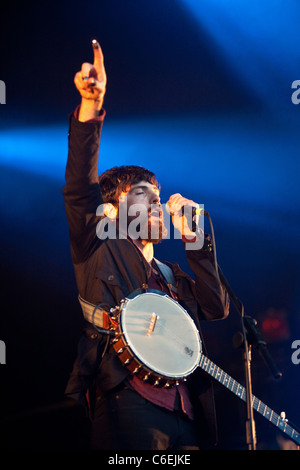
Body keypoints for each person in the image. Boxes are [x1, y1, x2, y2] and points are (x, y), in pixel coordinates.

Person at [63, 39, 230, 450]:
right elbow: (79, 187)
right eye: (142, 194)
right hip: (129, 408)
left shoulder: (170, 277)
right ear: (113, 210)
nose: (157, 201)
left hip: (186, 414)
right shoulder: (96, 246)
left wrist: (196, 244)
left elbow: (217, 308)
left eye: (157, 194)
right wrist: (90, 108)